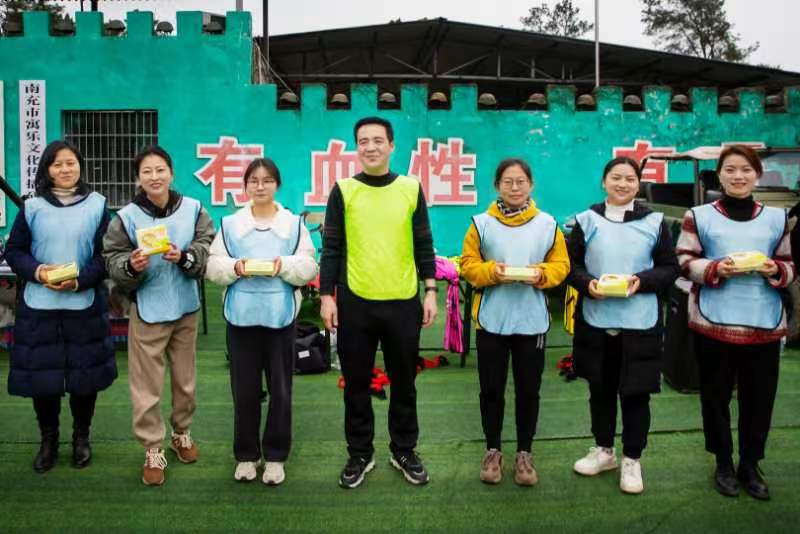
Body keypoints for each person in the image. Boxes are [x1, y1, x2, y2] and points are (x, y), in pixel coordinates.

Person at [319, 116, 437, 489]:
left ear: (391, 145)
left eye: (377, 140)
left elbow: (423, 242)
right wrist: (326, 296)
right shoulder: (344, 190)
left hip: (403, 301)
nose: (370, 147)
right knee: (356, 384)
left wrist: (430, 290)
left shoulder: (410, 188)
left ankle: (404, 449)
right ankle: (360, 453)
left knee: (404, 383)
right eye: (363, 141)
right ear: (357, 147)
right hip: (355, 302)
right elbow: (331, 246)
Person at [676, 145, 794, 500]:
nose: (738, 176)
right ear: (720, 175)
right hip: (714, 319)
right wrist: (715, 268)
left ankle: (750, 464)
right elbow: (684, 260)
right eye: (730, 169)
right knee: (715, 396)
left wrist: (775, 268)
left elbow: (789, 265)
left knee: (759, 398)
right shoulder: (698, 215)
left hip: (763, 320)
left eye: (746, 169)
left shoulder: (777, 218)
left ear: (757, 175)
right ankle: (723, 462)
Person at [103, 145, 214, 486]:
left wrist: (186, 257)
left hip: (185, 307)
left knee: (185, 380)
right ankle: (153, 447)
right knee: (146, 386)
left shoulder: (194, 209)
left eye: (160, 169)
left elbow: (207, 243)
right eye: (147, 171)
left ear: (172, 173)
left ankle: (182, 433)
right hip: (148, 309)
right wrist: (130, 265)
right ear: (138, 178)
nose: (154, 176)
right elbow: (111, 257)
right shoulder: (126, 217)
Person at [567, 157, 679, 494]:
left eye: (630, 179)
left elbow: (669, 268)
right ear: (604, 182)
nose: (622, 184)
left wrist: (641, 281)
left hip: (639, 322)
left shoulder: (654, 222)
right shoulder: (586, 220)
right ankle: (604, 451)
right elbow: (570, 266)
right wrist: (587, 284)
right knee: (599, 390)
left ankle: (632, 459)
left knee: (636, 393)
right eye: (616, 177)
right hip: (597, 320)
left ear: (638, 184)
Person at [5, 140, 116, 473]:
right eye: (57, 164)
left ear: (80, 166)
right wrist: (39, 272)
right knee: (44, 379)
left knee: (85, 378)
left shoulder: (98, 205)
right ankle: (48, 440)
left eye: (71, 163)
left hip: (83, 304)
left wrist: (80, 279)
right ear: (47, 170)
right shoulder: (32, 206)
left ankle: (81, 438)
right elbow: (15, 251)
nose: (65, 169)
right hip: (40, 306)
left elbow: (106, 255)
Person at [206, 158, 317, 485]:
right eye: (253, 180)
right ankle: (246, 455)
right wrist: (235, 268)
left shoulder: (293, 225)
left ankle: (276, 457)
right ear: (245, 186)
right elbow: (213, 265)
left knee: (281, 390)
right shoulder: (230, 224)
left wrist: (283, 266)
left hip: (280, 316)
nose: (260, 186)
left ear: (277, 185)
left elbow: (308, 266)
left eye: (267, 180)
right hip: (241, 317)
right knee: (244, 391)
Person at [460, 158, 569, 486]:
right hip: (492, 320)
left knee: (528, 390)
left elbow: (561, 265)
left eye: (521, 181)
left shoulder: (548, 225)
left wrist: (541, 274)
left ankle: (524, 452)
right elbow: (468, 265)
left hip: (531, 321)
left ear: (531, 184)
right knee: (491, 390)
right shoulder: (481, 224)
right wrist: (491, 272)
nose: (515, 187)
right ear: (497, 186)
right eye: (507, 181)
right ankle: (493, 450)